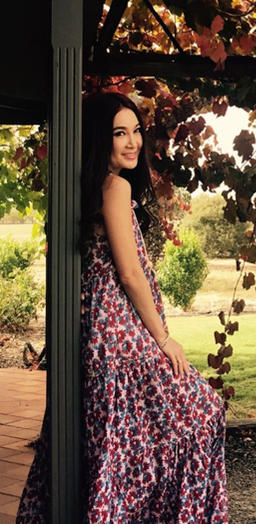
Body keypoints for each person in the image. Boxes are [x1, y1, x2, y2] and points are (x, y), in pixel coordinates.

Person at [17, 91, 228, 523]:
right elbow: (130, 274)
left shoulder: (83, 187)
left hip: (99, 334)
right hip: (119, 333)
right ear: (100, 137)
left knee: (117, 443)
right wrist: (164, 339)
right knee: (204, 410)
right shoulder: (114, 187)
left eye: (136, 131)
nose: (132, 142)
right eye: (119, 133)